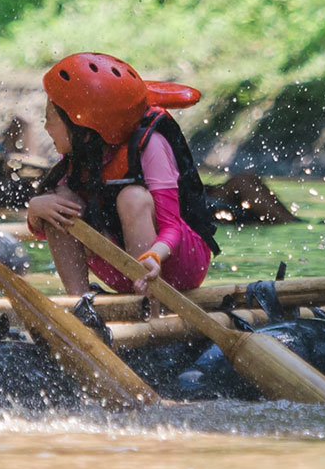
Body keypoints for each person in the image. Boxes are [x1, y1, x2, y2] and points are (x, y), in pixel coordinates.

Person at [24, 52, 220, 297]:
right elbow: (49, 231)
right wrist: (35, 210)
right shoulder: (80, 154)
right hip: (122, 267)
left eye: (49, 119)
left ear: (84, 129)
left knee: (132, 197)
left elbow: (172, 227)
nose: (45, 128)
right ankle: (80, 304)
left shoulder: (151, 145)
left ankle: (151, 310)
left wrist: (154, 256)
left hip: (172, 265)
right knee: (59, 200)